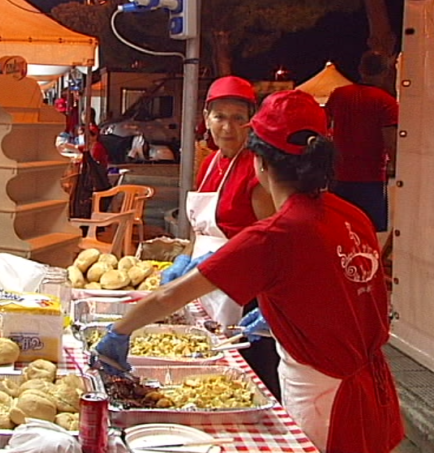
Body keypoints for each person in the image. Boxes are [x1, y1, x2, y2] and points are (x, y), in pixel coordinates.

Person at [95, 90, 403, 453]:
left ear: (259, 161)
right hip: (369, 382)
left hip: (325, 393)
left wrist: (119, 331)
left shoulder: (276, 232)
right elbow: (334, 290)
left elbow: (170, 296)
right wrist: (278, 314)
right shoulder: (350, 214)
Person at [167, 76, 279, 398]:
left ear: (251, 122)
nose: (227, 128)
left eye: (238, 119)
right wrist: (186, 258)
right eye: (219, 117)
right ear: (206, 119)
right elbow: (198, 227)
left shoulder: (255, 169)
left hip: (242, 294)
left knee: (245, 381)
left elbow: (272, 241)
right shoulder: (210, 162)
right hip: (206, 283)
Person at [326, 51, 398, 233]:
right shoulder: (386, 103)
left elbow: (325, 127)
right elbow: (390, 141)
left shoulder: (339, 95)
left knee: (338, 229)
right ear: (385, 72)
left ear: (360, 69)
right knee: (369, 230)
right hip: (369, 178)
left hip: (339, 176)